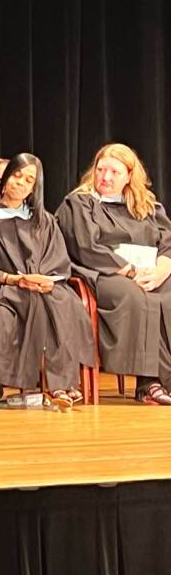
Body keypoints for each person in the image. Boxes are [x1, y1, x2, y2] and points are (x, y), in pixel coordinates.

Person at [0, 153, 94, 407]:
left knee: (66, 302)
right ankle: (46, 385)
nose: (20, 183)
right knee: (25, 305)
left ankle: (61, 384)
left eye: (29, 180)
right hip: (3, 289)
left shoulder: (44, 221)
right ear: (6, 177)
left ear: (35, 187)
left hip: (42, 287)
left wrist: (47, 279)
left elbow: (58, 260)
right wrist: (14, 279)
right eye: (17, 175)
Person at [56, 143, 171, 405]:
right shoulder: (80, 203)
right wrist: (130, 270)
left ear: (130, 176)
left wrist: (163, 268)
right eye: (101, 169)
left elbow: (168, 243)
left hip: (150, 271)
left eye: (114, 172)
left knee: (165, 294)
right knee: (136, 296)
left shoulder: (147, 207)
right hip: (103, 273)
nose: (105, 178)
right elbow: (86, 246)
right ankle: (148, 383)